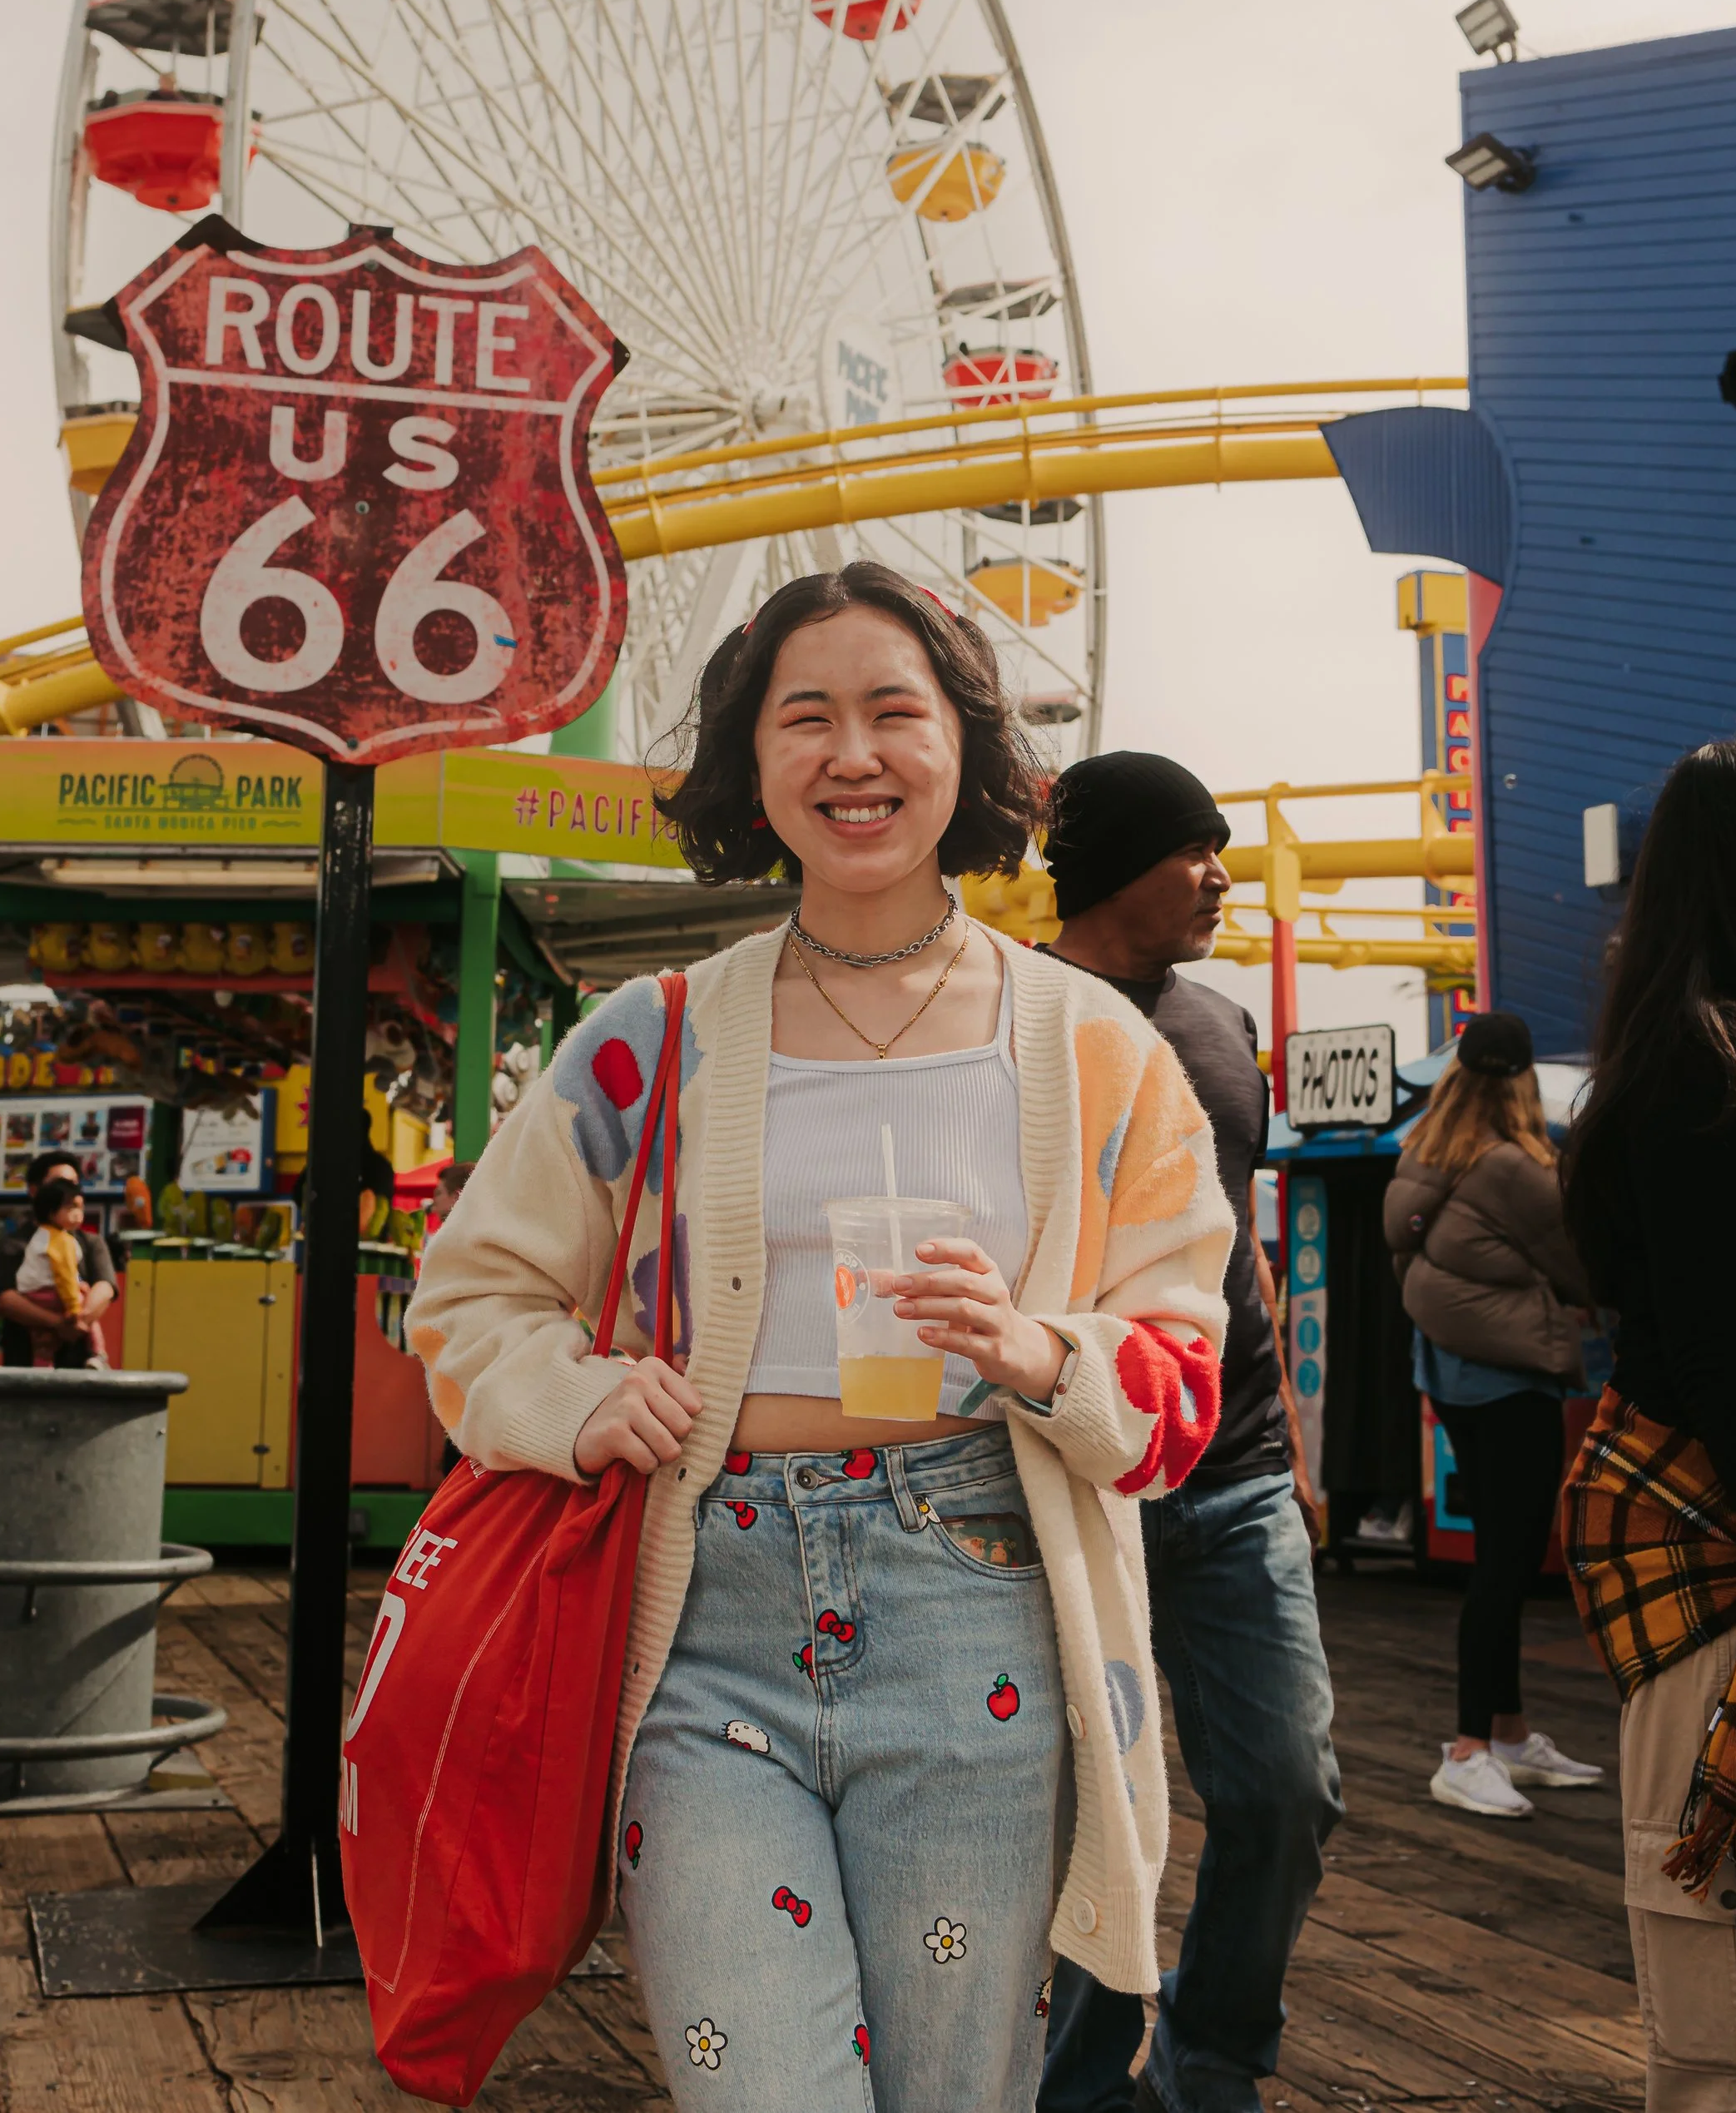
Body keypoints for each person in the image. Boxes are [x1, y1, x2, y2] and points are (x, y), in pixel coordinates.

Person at [407, 563, 1233, 2112]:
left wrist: (1037, 1351)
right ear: (752, 765)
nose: (853, 756)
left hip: (977, 1615)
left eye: (893, 713)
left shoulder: (1097, 1052)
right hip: (700, 1614)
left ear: (968, 753)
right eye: (807, 719)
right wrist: (580, 1402)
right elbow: (467, 1297)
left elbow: (1185, 1361)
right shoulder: (649, 1038)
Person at [1034, 750, 1342, 2113]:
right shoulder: (1013, 1021)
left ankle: (1215, 2055)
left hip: (1236, 1469)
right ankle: (1098, 2082)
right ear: (1112, 868)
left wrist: (1298, 1452)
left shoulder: (1220, 1025)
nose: (1222, 872)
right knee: (1094, 1809)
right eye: (1195, 849)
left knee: (1286, 1786)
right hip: (1072, 1476)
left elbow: (1238, 1247)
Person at [1562, 738, 1736, 2102]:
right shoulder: (1714, 1058)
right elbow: (1716, 1343)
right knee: (1726, 1964)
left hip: (1710, 1501)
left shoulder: (1683, 1043)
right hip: (1716, 1522)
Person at [1386, 1009, 1600, 1818]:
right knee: (1506, 1565)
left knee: (1495, 1557)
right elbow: (1582, 1260)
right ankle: (1468, 1747)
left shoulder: (1424, 1152)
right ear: (1519, 1082)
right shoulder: (1509, 1164)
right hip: (1511, 1380)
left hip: (1449, 1373)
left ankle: (1508, 1732)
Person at [0, 1151, 117, 1367]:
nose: (69, 1191)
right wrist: (58, 1324)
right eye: (60, 1184)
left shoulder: (91, 1242)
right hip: (23, 1368)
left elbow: (105, 1287)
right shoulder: (13, 1244)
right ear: (34, 1191)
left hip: (80, 1369)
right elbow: (4, 1299)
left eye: (74, 1184)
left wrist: (78, 1321)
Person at [14, 1178, 108, 1367]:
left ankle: (42, 1367)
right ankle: (98, 1353)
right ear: (51, 1211)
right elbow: (64, 1276)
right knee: (85, 1297)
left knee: (44, 1341)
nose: (78, 1214)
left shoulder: (43, 1234)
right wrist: (75, 1309)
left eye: (81, 1207)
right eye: (71, 1207)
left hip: (30, 1296)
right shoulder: (61, 1241)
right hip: (48, 1295)